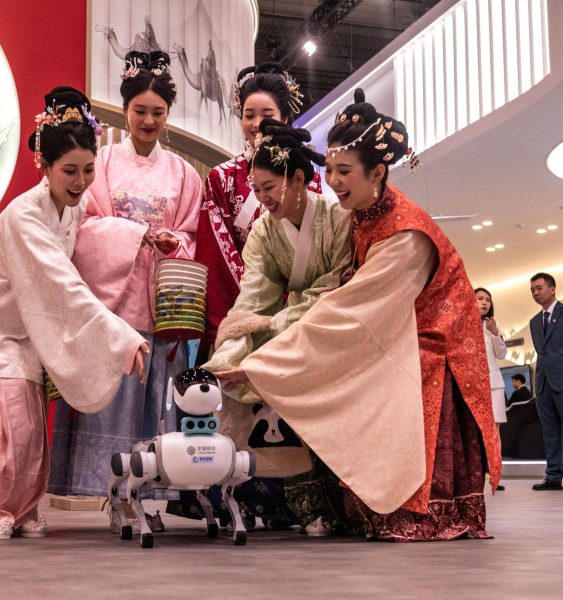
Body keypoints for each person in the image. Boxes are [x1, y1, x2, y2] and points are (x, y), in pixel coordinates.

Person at [214, 89, 501, 541]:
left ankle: (425, 507)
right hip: (358, 321)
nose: (332, 181)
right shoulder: (357, 214)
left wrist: (263, 363)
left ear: (378, 172)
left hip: (425, 337)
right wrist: (239, 346)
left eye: (344, 171)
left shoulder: (403, 234)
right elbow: (259, 295)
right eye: (330, 169)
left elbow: (348, 309)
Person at [0, 87, 148, 539]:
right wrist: (121, 336)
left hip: (18, 327)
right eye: (69, 171)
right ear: (43, 166)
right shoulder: (24, 216)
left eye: (88, 170)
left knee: (27, 430)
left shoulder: (73, 206)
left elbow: (94, 235)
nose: (81, 181)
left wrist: (141, 235)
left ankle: (20, 508)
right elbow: (63, 285)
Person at [170, 118, 351, 533]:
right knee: (240, 385)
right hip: (288, 323)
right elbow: (253, 298)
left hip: (330, 325)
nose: (261, 198)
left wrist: (277, 326)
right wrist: (228, 360)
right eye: (255, 189)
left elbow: (333, 287)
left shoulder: (338, 219)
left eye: (269, 187)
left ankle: (322, 505)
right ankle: (254, 502)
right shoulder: (264, 232)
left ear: (299, 178)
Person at [48, 51, 202, 532]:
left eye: (158, 112)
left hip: (161, 303)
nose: (148, 121)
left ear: (168, 114)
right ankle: (117, 498)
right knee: (116, 400)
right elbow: (87, 225)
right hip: (115, 303)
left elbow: (191, 233)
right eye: (140, 111)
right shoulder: (103, 162)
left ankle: (148, 497)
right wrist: (138, 235)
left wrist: (173, 242)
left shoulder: (184, 173)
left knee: (154, 403)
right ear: (124, 110)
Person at [194, 63, 321, 359]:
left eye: (268, 115)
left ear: (285, 118)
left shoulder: (305, 176)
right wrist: (255, 299)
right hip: (240, 305)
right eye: (249, 115)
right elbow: (216, 255)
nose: (257, 124)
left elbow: (316, 248)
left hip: (297, 309)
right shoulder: (221, 178)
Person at [528, 272, 563, 491]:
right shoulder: (534, 322)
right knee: (550, 432)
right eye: (532, 290)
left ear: (552, 289)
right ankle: (553, 477)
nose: (535, 293)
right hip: (543, 384)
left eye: (539, 288)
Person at [475, 287, 507, 490]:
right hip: (471, 386)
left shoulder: (493, 326)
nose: (485, 302)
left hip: (494, 385)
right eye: (480, 298)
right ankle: (475, 477)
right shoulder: (462, 325)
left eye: (487, 299)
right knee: (473, 431)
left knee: (494, 432)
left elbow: (502, 354)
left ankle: (495, 477)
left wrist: (495, 333)